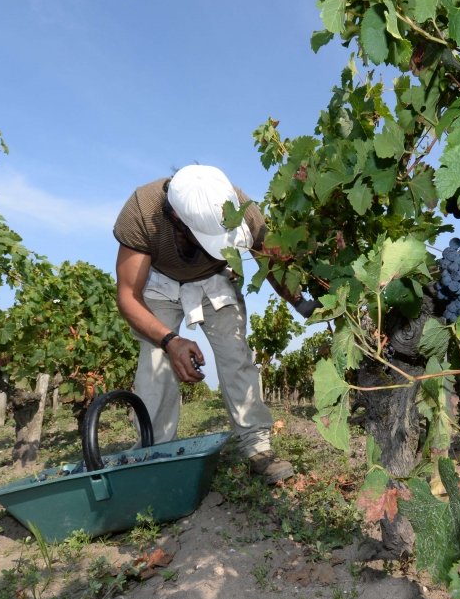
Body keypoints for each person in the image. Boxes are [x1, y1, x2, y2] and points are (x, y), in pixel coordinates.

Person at [113, 164, 316, 484]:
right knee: (154, 362)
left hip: (217, 281)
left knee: (236, 355)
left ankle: (257, 446)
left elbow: (272, 265)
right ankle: (152, 454)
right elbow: (127, 295)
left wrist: (304, 305)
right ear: (178, 220)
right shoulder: (141, 210)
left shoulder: (241, 208)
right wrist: (170, 341)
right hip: (161, 285)